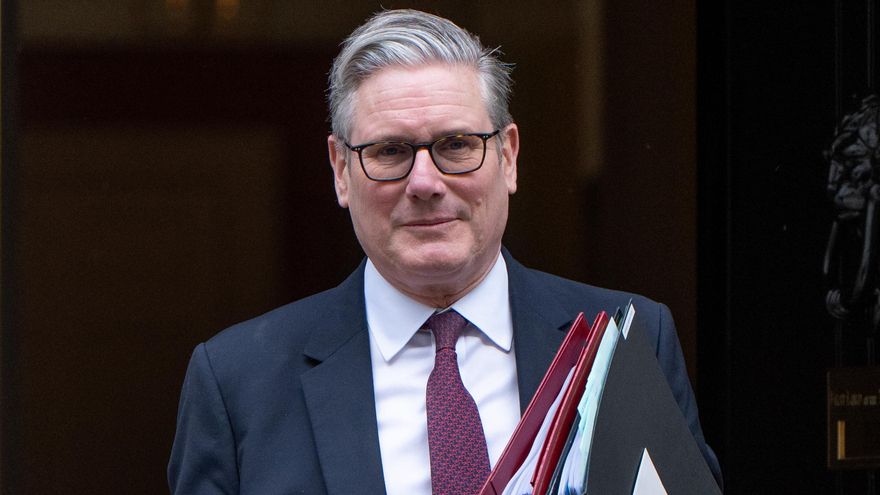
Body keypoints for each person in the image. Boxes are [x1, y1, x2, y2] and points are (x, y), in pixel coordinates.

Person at [168, 9, 721, 495]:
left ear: (508, 156)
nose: (426, 182)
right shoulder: (239, 380)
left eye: (456, 145)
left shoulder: (626, 341)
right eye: (390, 151)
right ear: (341, 170)